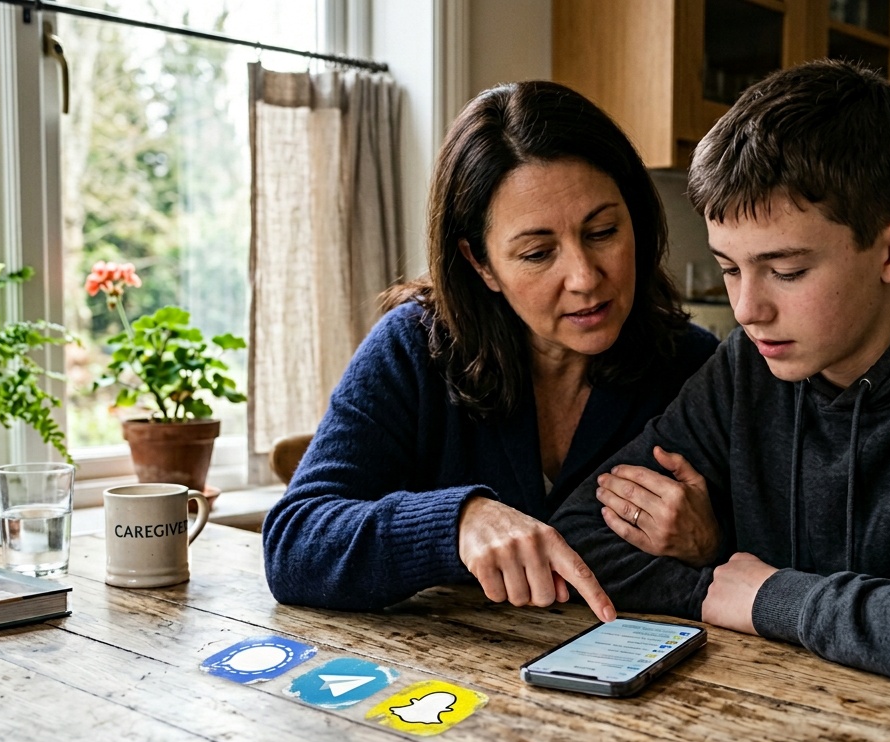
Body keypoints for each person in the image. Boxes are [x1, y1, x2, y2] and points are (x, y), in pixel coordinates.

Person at [550, 60, 890, 703]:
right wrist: (721, 581)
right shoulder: (747, 365)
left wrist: (772, 598)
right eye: (730, 270)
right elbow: (580, 534)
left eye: (785, 270)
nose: (748, 309)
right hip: (806, 719)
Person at [262, 81, 721, 618]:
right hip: (448, 687)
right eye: (537, 253)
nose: (584, 277)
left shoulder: (692, 365)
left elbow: (776, 564)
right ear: (481, 264)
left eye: (602, 232)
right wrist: (458, 522)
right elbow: (294, 544)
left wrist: (709, 542)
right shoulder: (413, 348)